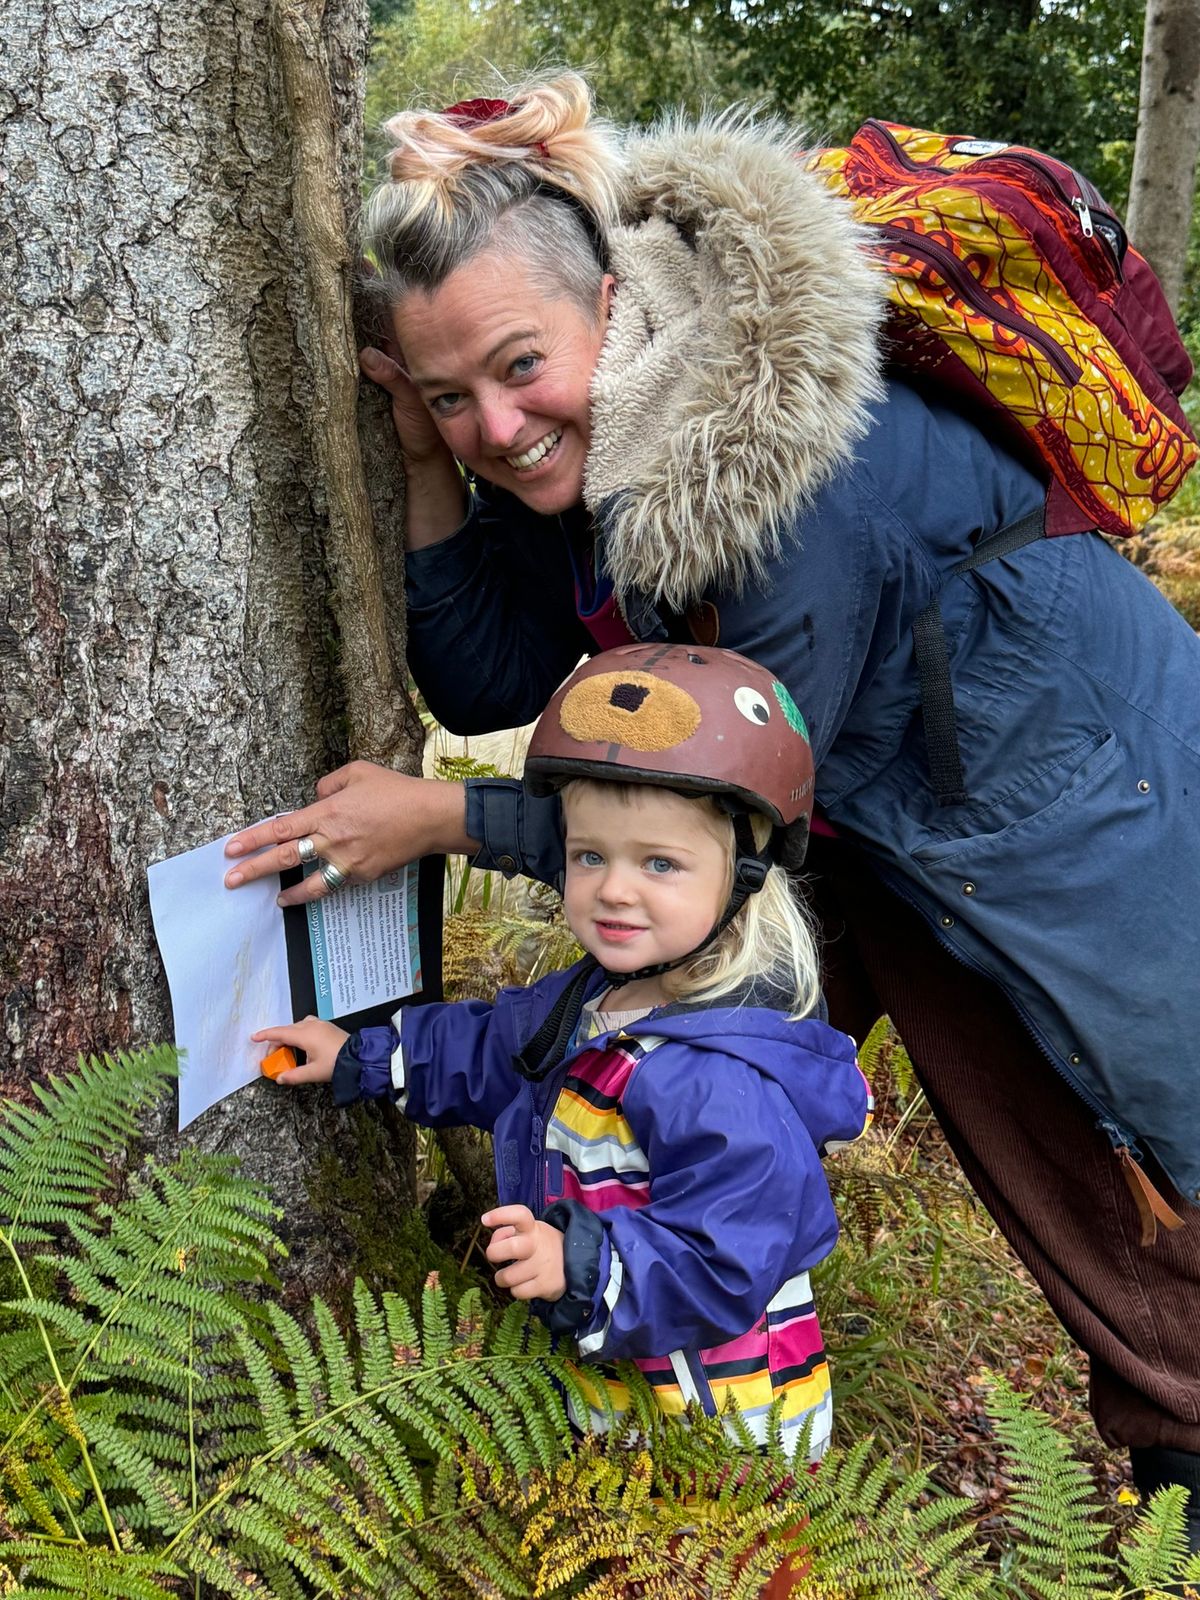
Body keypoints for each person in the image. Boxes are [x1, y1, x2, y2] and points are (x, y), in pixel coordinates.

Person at [224, 72, 1200, 1534]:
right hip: (879, 807)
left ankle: (1179, 1491)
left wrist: (446, 823)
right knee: (667, 1050)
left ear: (610, 303)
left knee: (1131, 1154)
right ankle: (649, 1348)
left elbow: (705, 823)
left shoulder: (778, 469)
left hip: (1073, 799)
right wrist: (430, 470)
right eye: (446, 394)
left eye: (515, 368)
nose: (499, 423)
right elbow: (491, 672)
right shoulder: (605, 427)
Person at [252, 644, 871, 1476]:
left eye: (660, 863)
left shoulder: (723, 1080)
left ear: (747, 872)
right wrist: (365, 1057)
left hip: (723, 1429)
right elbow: (494, 1051)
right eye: (590, 857)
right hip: (617, 1384)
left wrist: (581, 1262)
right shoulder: (598, 999)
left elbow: (725, 1265)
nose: (615, 889)